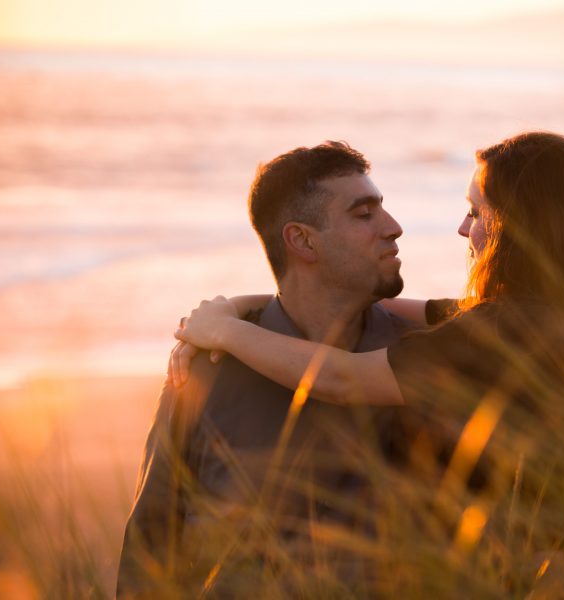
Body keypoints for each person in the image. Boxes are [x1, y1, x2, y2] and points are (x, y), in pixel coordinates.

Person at [174, 131, 564, 595]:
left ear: (522, 225)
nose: (463, 228)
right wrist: (240, 306)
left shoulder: (500, 329)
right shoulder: (555, 316)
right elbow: (390, 306)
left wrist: (226, 333)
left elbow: (342, 380)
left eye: (476, 212)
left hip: (482, 571)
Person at [117, 141, 416, 597]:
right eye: (364, 214)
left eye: (383, 210)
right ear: (301, 240)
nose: (393, 228)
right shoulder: (208, 370)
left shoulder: (418, 363)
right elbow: (153, 540)